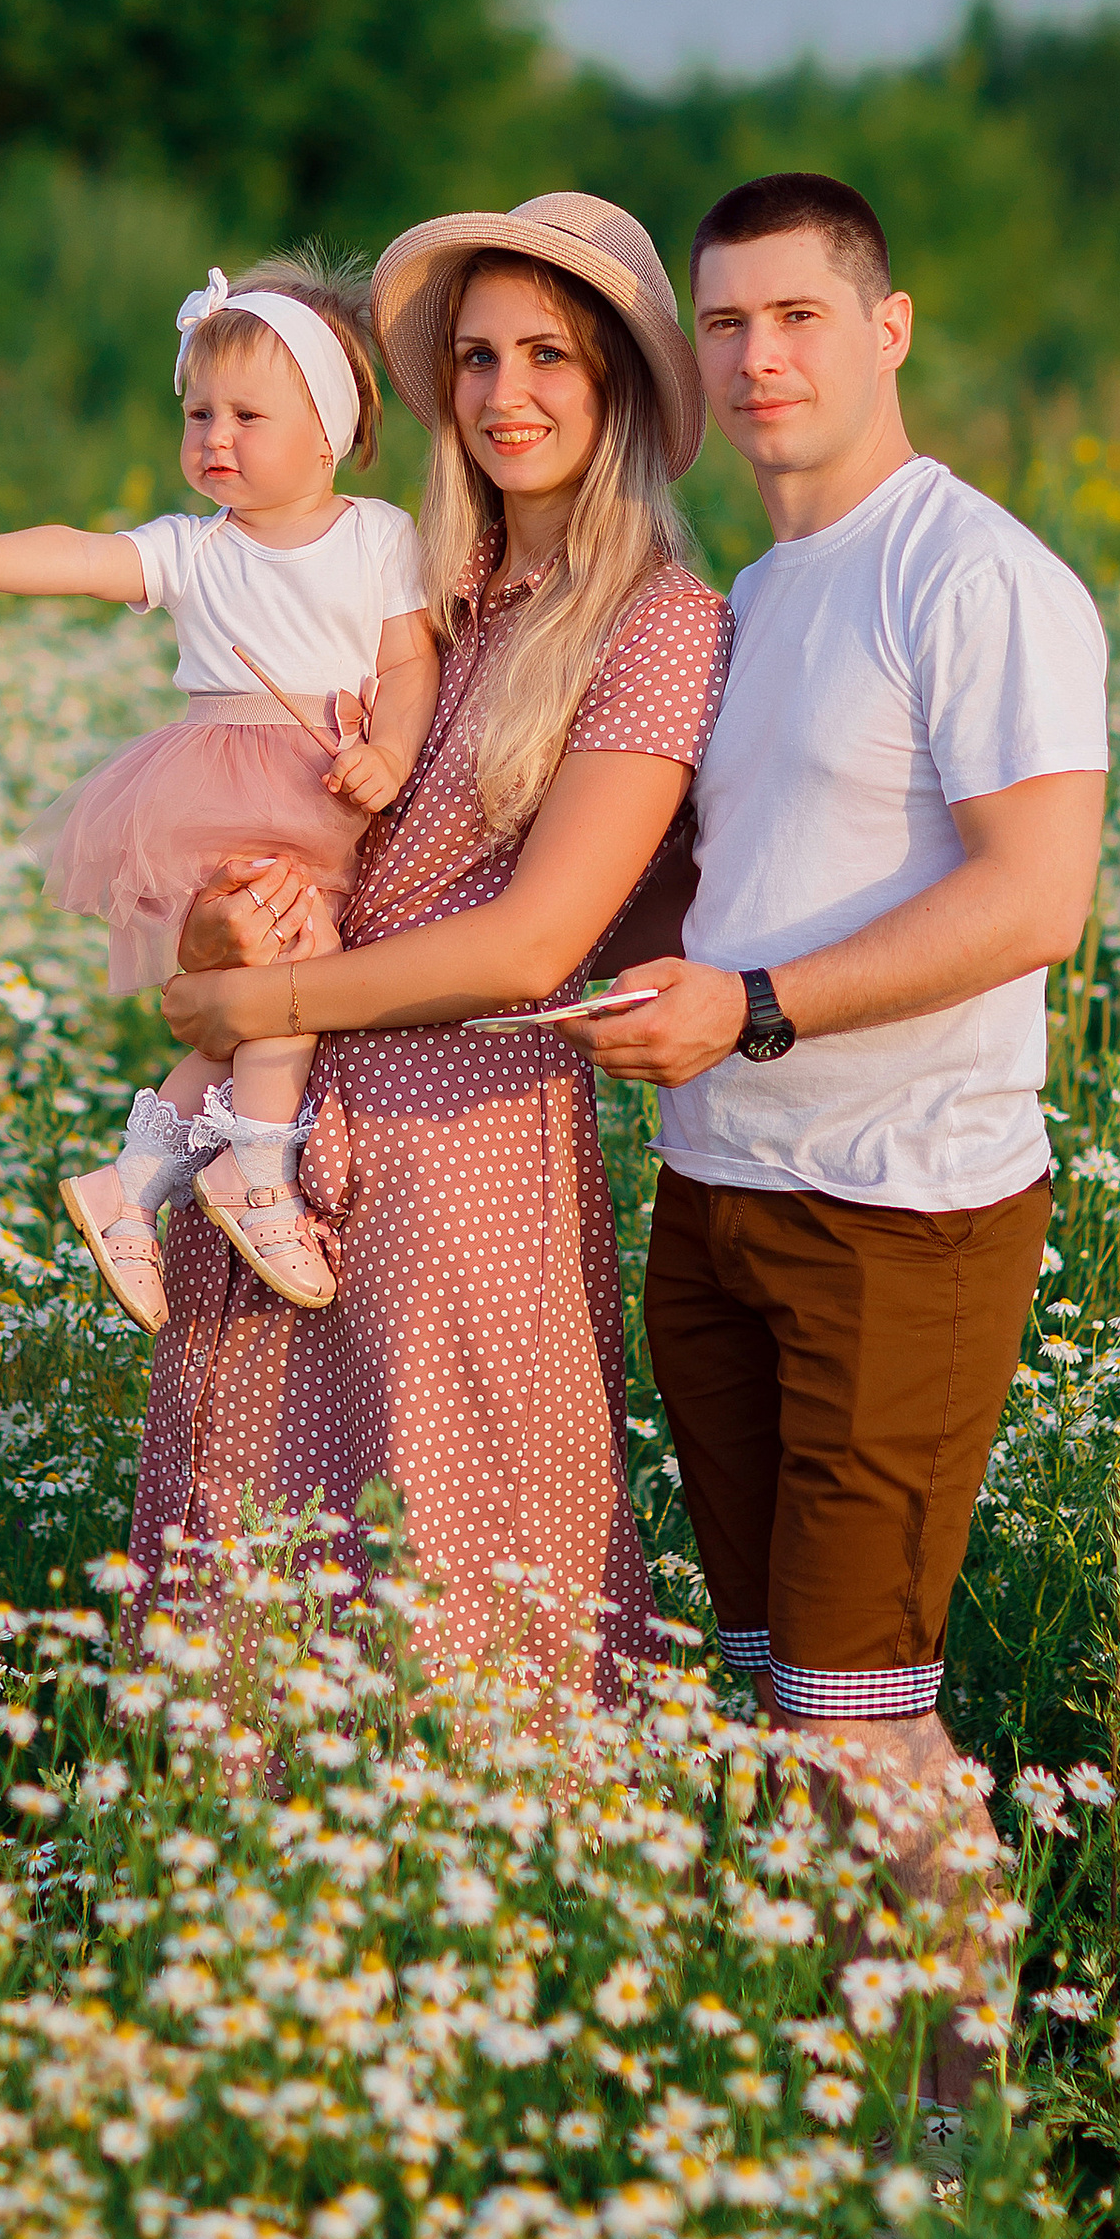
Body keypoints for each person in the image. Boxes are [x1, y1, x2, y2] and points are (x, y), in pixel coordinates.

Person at [576, 170, 1108, 2093]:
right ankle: (849, 2081)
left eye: (798, 315)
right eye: (724, 323)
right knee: (781, 1697)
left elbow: (1036, 900)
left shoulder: (974, 577)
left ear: (888, 330)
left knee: (863, 1713)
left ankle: (965, 2133)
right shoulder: (757, 594)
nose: (759, 357)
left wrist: (755, 1008)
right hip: (715, 1195)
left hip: (901, 1210)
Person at [146, 193, 731, 1696]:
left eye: (549, 355)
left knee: (458, 1592)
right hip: (281, 1139)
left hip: (462, 1157)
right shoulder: (404, 588)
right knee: (255, 1590)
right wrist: (221, 933)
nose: (503, 393)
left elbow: (532, 947)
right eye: (476, 357)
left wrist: (252, 996)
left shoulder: (656, 624)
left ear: (619, 388)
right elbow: (261, 852)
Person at [0, 253, 439, 1327]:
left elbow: (409, 661)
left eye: (247, 416)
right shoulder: (196, 550)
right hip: (227, 793)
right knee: (292, 972)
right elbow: (82, 555)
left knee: (247, 1015)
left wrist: (394, 752)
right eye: (197, 415)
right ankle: (256, 1176)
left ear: (326, 432)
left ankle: (131, 1185)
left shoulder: (378, 535)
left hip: (329, 782)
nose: (214, 438)